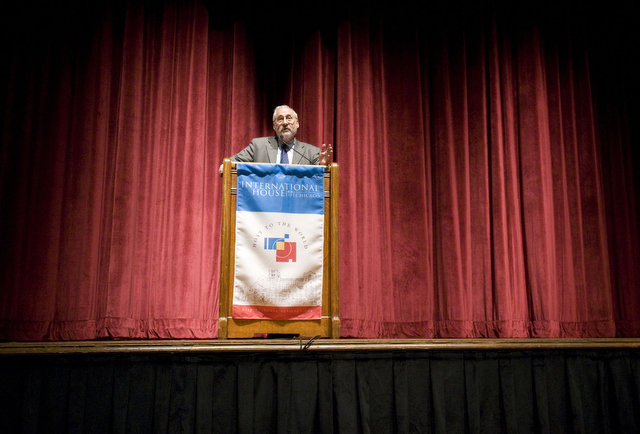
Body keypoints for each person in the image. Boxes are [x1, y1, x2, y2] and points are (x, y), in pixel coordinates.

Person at [219, 105, 333, 175]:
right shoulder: (258, 146)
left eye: (289, 118)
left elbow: (322, 179)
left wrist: (323, 165)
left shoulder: (312, 152)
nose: (284, 123)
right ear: (274, 126)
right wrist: (225, 165)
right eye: (280, 119)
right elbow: (232, 161)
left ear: (297, 123)